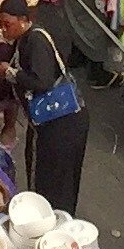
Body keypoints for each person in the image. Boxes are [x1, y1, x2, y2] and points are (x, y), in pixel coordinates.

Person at [13, 20, 90, 214]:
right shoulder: (23, 42)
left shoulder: (36, 42)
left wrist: (12, 73)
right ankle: (59, 218)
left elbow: (42, 82)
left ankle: (46, 220)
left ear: (22, 20)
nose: (3, 29)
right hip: (67, 122)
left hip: (56, 126)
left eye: (7, 23)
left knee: (46, 179)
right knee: (62, 179)